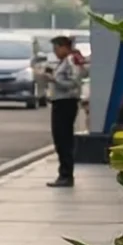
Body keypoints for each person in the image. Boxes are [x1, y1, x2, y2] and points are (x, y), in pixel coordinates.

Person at [48, 34, 87, 188]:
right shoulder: (64, 61)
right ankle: (63, 173)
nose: (55, 52)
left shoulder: (71, 60)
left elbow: (74, 82)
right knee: (60, 139)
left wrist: (54, 80)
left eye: (56, 48)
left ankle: (66, 174)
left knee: (64, 139)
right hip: (60, 102)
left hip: (66, 103)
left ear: (64, 47)